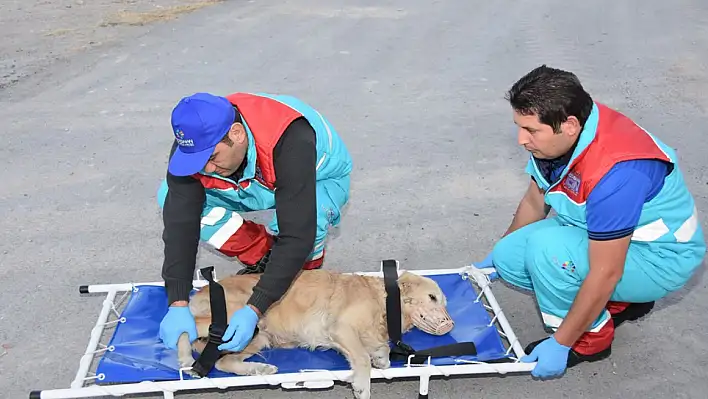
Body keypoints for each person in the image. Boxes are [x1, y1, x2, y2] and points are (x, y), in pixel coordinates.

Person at [474, 65, 706, 379]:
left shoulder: (618, 173)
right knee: (508, 257)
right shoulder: (565, 132)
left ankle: (590, 339)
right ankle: (620, 302)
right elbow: (534, 200)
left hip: (660, 258)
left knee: (549, 251)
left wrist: (561, 342)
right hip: (606, 236)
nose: (520, 140)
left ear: (568, 125)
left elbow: (606, 270)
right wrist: (495, 254)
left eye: (530, 130)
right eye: (519, 126)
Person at [155, 91, 353, 353]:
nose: (207, 170)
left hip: (313, 177)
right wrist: (177, 302)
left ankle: (304, 277)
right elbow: (180, 226)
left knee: (306, 222)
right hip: (253, 180)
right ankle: (262, 255)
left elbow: (297, 235)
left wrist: (255, 307)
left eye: (212, 158)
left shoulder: (290, 136)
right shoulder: (196, 144)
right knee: (170, 197)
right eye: (198, 162)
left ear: (237, 133)